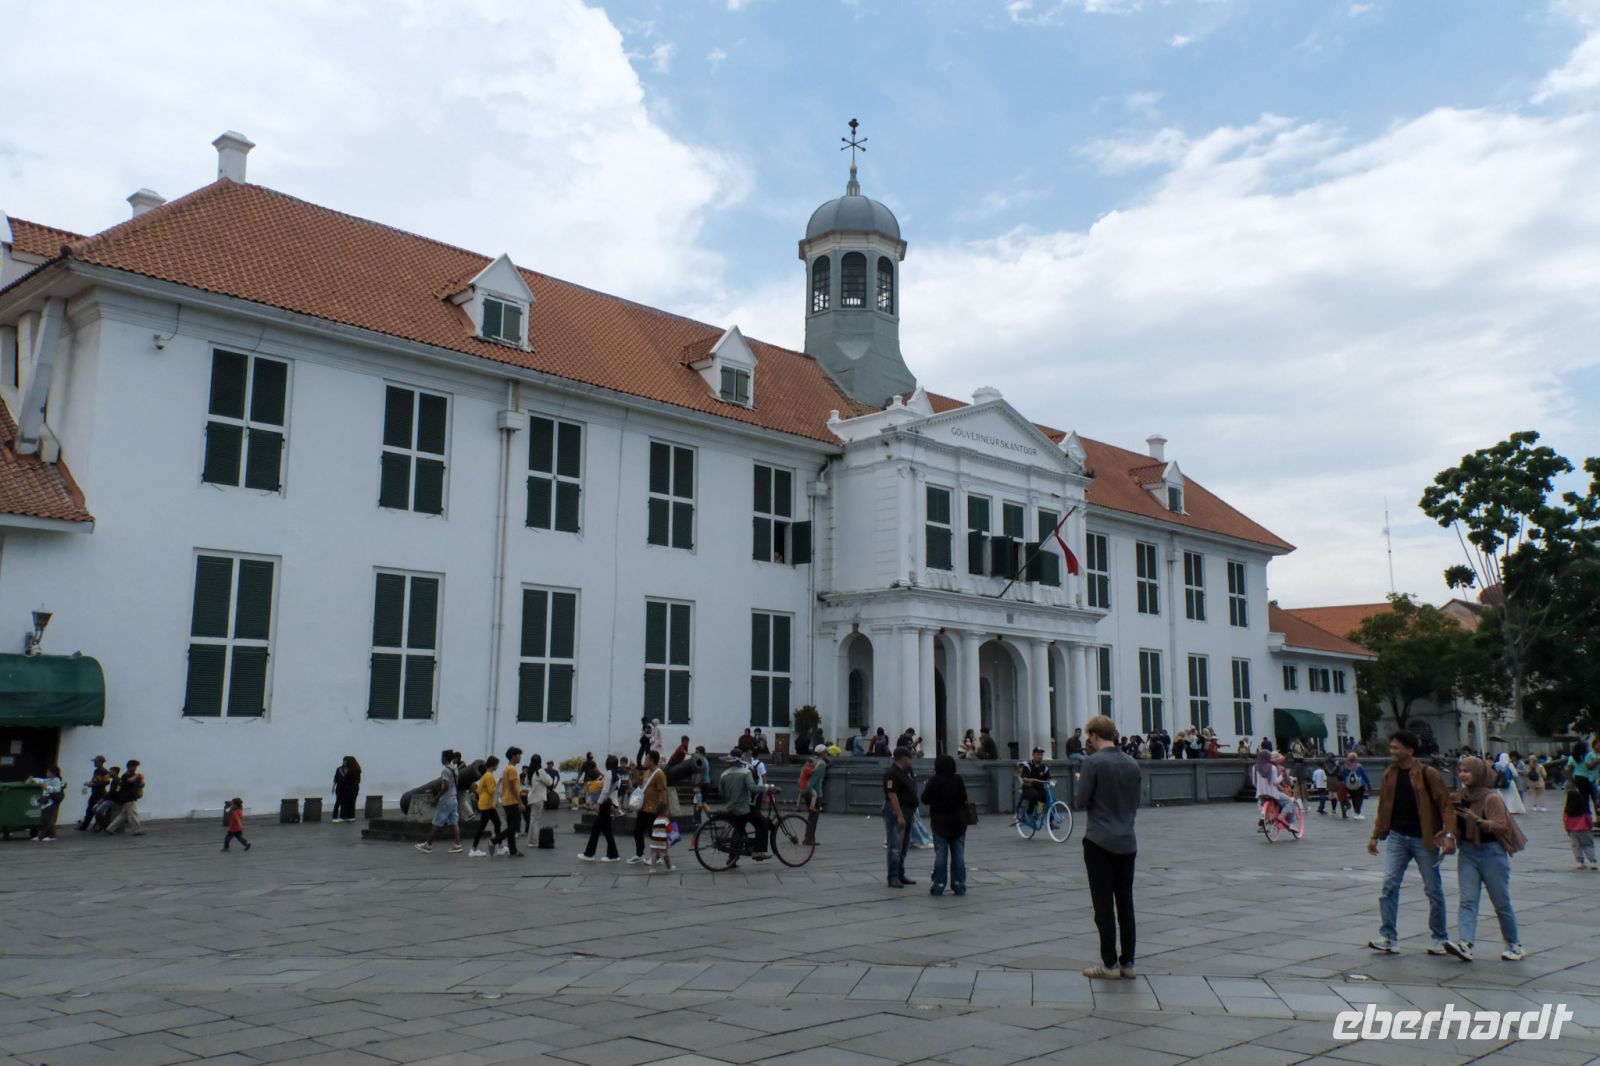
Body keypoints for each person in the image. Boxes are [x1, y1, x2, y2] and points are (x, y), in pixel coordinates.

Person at [1366, 730, 1458, 955]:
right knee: (1389, 884)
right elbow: (1384, 807)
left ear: (1410, 750)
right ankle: (1388, 936)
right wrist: (1375, 836)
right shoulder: (1390, 774)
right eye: (1391, 747)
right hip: (1397, 836)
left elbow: (1446, 804)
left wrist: (1449, 835)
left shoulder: (1429, 773)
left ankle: (1439, 937)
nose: (1392, 751)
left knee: (1433, 888)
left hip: (1423, 837)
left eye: (1396, 747)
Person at [1074, 714, 1142, 979]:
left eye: (1088, 736)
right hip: (1128, 840)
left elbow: (1081, 801)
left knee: (1103, 905)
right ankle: (1129, 963)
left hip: (1099, 840)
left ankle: (1109, 964)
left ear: (1093, 735)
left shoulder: (1092, 763)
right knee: (1126, 903)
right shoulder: (1132, 763)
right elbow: (1136, 801)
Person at [1444, 756, 1526, 962]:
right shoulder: (1459, 796)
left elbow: (1501, 825)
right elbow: (1451, 822)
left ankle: (1514, 944)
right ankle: (1465, 943)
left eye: (1467, 771)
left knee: (1501, 901)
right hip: (1468, 852)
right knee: (1467, 899)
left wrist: (1478, 821)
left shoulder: (1491, 798)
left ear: (1479, 773)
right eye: (1461, 770)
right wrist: (1449, 837)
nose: (1463, 774)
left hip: (1492, 852)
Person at [920, 754, 968, 896]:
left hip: (940, 822)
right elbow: (963, 798)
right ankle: (959, 884)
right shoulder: (958, 779)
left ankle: (939, 884)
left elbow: (925, 799)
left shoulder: (934, 781)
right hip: (958, 822)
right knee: (959, 855)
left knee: (941, 854)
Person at [718, 753, 772, 860]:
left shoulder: (723, 774)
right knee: (763, 823)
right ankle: (757, 851)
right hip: (744, 808)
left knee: (739, 830)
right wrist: (767, 787)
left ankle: (732, 858)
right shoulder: (745, 772)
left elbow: (721, 793)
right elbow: (753, 788)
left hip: (731, 807)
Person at [882, 747, 920, 888]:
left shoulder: (906, 772)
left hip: (909, 810)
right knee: (895, 845)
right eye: (909, 757)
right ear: (903, 758)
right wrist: (899, 815)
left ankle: (900, 873)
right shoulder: (892, 773)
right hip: (897, 811)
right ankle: (892, 876)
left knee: (903, 845)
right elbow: (892, 795)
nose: (911, 759)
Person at [415, 750, 464, 854]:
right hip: (454, 798)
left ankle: (428, 845)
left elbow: (445, 787)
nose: (441, 759)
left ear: (445, 758)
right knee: (454, 822)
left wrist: (436, 798)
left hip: (446, 800)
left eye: (442, 757)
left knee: (436, 822)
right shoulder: (455, 769)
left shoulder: (445, 770)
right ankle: (457, 844)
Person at [579, 755, 622, 862]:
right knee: (603, 830)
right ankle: (612, 854)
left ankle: (590, 854)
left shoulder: (609, 773)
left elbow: (605, 791)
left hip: (605, 803)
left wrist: (598, 803)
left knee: (599, 830)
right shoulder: (617, 775)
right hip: (611, 803)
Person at [630, 751, 669, 865]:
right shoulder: (647, 772)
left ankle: (657, 857)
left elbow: (663, 792)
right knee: (637, 831)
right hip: (644, 808)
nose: (644, 761)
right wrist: (634, 770)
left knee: (654, 834)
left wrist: (661, 809)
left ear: (652, 760)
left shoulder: (659, 774)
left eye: (646, 759)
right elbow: (639, 782)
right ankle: (639, 854)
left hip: (654, 809)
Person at [469, 756, 503, 857]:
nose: (497, 766)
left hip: (484, 804)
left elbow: (479, 790)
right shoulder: (489, 776)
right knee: (492, 824)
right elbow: (491, 790)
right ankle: (475, 848)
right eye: (497, 764)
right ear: (494, 765)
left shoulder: (484, 776)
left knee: (494, 824)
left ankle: (499, 845)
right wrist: (499, 784)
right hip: (487, 804)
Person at [1563, 776, 1597, 870]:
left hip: (1573, 831)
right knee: (1588, 845)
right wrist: (1590, 827)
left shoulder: (1568, 810)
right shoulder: (1584, 809)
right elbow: (1589, 819)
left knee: (1576, 846)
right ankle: (1592, 861)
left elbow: (1565, 820)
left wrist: (1567, 829)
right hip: (1585, 829)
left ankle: (1579, 862)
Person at [496, 748, 525, 858]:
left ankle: (513, 850)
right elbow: (513, 788)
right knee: (514, 827)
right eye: (519, 755)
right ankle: (495, 840)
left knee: (512, 827)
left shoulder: (507, 769)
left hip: (506, 800)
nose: (520, 757)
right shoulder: (512, 769)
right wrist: (520, 802)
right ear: (513, 756)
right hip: (511, 801)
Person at [798, 745, 829, 846]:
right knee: (814, 817)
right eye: (826, 752)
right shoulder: (822, 764)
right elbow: (816, 780)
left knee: (810, 815)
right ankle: (809, 839)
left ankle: (808, 838)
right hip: (815, 791)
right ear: (822, 753)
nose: (827, 754)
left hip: (805, 790)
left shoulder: (809, 761)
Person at [105, 761, 146, 835]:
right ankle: (137, 830)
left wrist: (141, 783)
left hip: (131, 797)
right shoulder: (125, 775)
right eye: (133, 766)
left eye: (136, 767)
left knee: (123, 815)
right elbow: (130, 780)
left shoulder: (134, 775)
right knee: (133, 814)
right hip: (128, 798)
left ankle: (110, 828)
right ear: (128, 767)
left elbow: (139, 785)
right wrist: (137, 776)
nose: (135, 768)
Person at [1014, 747, 1052, 825]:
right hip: (1028, 788)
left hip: (1039, 788)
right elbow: (1024, 777)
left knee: (1047, 798)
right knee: (1034, 795)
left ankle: (1050, 821)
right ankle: (1029, 813)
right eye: (1038, 754)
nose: (1040, 756)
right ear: (1033, 755)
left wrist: (1051, 781)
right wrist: (1029, 780)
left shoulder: (1044, 767)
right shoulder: (1027, 766)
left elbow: (1048, 778)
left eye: (1041, 755)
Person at [27, 766, 64, 842]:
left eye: (48, 772)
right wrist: (33, 779)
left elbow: (57, 789)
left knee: (49, 820)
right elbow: (42, 780)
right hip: (45, 801)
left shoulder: (56, 780)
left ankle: (52, 835)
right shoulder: (48, 780)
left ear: (53, 773)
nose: (47, 773)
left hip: (50, 802)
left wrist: (48, 787)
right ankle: (41, 836)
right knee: (43, 820)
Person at [77, 756, 109, 831]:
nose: (94, 763)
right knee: (90, 809)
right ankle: (85, 826)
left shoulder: (104, 771)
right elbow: (94, 781)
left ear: (100, 762)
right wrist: (89, 783)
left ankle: (99, 825)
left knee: (96, 810)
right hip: (94, 793)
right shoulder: (96, 771)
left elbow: (106, 782)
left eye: (96, 761)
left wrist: (95, 784)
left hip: (100, 793)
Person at [332, 756, 362, 822]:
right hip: (342, 787)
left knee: (350, 802)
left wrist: (344, 775)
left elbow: (349, 779)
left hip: (350, 788)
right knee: (340, 802)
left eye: (345, 761)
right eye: (344, 761)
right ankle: (338, 816)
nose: (344, 762)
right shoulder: (340, 769)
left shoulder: (354, 770)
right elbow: (336, 778)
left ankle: (349, 816)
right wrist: (333, 787)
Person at [1342, 752, 1371, 819]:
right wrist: (1368, 783)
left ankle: (1356, 812)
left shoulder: (1345, 767)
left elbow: (1343, 776)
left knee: (1354, 799)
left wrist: (1345, 784)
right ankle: (1358, 813)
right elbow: (1364, 775)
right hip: (1360, 784)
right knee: (1359, 798)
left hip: (1349, 785)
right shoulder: (1359, 766)